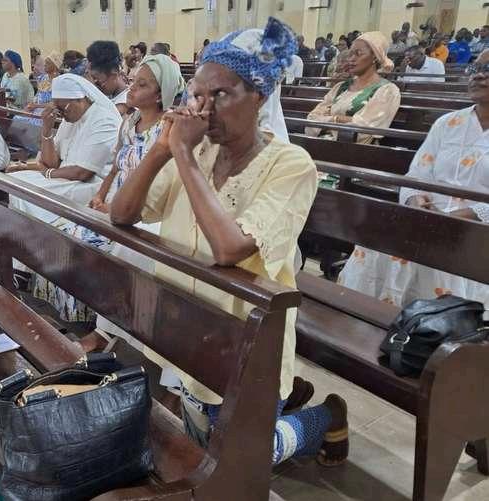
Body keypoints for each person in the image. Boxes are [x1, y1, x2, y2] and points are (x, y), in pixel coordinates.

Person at [109, 16, 348, 467]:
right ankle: (273, 414)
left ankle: (324, 417)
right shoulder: (197, 151)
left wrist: (183, 154)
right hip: (186, 325)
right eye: (197, 95)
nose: (203, 109)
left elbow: (230, 249)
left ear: (259, 96)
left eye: (220, 94)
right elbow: (122, 214)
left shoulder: (291, 164)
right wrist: (162, 149)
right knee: (205, 442)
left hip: (246, 337)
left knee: (243, 461)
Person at [32, 53, 184, 326]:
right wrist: (100, 195)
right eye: (134, 81)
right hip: (115, 199)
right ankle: (71, 313)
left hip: (145, 211)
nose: (132, 89)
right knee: (62, 233)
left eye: (142, 85)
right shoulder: (130, 122)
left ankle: (100, 320)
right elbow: (115, 167)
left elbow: (160, 187)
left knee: (88, 245)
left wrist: (113, 207)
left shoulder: (167, 130)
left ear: (160, 95)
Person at [338, 50, 489, 310]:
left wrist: (458, 217)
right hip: (428, 216)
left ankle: (441, 322)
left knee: (441, 252)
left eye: (488, 69)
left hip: (478, 227)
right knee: (379, 241)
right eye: (476, 69)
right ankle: (368, 314)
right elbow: (416, 175)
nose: (478, 75)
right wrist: (416, 201)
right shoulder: (448, 123)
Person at [5, 74, 121, 223]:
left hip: (91, 185)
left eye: (63, 108)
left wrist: (47, 173)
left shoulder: (104, 120)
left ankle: (32, 233)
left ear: (80, 99)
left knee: (25, 193)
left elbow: (83, 173)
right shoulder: (70, 118)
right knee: (13, 181)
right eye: (57, 108)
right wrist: (47, 128)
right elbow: (50, 163)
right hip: (65, 177)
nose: (61, 114)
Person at [305, 31, 401, 144]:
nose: (351, 59)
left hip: (358, 151)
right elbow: (312, 119)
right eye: (350, 54)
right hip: (321, 144)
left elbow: (364, 130)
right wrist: (339, 120)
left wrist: (330, 119)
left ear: (375, 57)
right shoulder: (341, 87)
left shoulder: (387, 90)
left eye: (358, 53)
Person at [86, 40, 129, 113]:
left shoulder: (124, 103)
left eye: (97, 82)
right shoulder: (109, 94)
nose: (95, 86)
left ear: (114, 75)